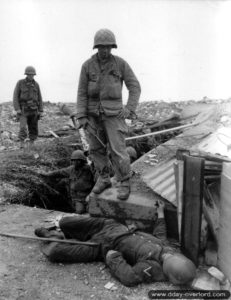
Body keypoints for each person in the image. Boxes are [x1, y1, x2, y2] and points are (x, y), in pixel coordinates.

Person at [35, 201, 196, 287]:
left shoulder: (153, 268)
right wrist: (160, 213)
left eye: (167, 257)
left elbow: (130, 277)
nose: (167, 253)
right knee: (65, 222)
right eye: (171, 254)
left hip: (103, 246)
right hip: (110, 226)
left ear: (168, 270)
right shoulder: (169, 250)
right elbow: (161, 235)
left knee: (56, 252)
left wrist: (114, 258)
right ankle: (61, 232)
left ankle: (51, 236)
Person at [76, 29, 141, 200]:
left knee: (118, 150)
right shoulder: (87, 66)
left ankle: (124, 181)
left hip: (114, 116)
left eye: (108, 47)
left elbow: (134, 86)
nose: (105, 50)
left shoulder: (120, 64)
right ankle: (104, 178)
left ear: (112, 47)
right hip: (92, 116)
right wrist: (81, 116)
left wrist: (129, 108)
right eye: (101, 47)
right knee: (96, 149)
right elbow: (82, 92)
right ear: (96, 47)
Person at [40, 150, 95, 214]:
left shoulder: (89, 170)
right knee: (79, 211)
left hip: (89, 195)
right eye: (74, 160)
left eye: (78, 160)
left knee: (93, 211)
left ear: (83, 161)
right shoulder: (71, 169)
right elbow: (59, 172)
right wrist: (47, 174)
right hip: (77, 198)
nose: (76, 162)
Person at [13, 66, 43, 149]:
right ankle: (22, 143)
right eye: (29, 74)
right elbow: (15, 96)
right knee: (22, 127)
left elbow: (40, 97)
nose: (31, 76)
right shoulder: (20, 83)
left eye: (32, 74)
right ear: (26, 74)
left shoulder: (36, 85)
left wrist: (40, 110)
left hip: (34, 110)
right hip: (23, 109)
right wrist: (17, 109)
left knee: (33, 127)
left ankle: (32, 142)